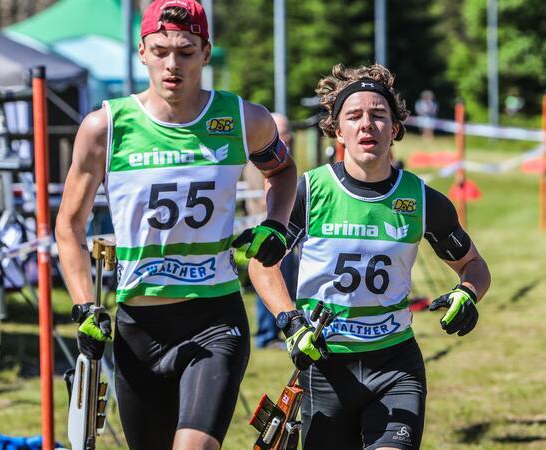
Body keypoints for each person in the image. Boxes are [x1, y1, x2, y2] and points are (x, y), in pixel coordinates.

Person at [55, 1, 296, 449]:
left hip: (214, 319)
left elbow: (282, 172)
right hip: (136, 327)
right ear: (142, 52)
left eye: (186, 51)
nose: (172, 64)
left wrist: (276, 226)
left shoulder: (243, 119)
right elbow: (68, 227)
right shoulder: (105, 127)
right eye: (161, 50)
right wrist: (85, 306)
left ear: (206, 53)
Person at [248, 64, 491, 449]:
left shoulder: (423, 200)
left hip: (395, 366)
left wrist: (467, 293)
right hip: (325, 366)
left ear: (394, 129)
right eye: (354, 116)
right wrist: (290, 321)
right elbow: (262, 264)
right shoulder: (308, 192)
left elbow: (474, 265)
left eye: (379, 115)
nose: (367, 125)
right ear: (336, 128)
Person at [242, 112, 297, 348]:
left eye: (288, 132)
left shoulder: (282, 158)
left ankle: (276, 332)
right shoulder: (258, 162)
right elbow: (263, 198)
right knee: (267, 276)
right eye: (283, 132)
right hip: (264, 228)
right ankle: (266, 335)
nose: (288, 137)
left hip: (281, 228)